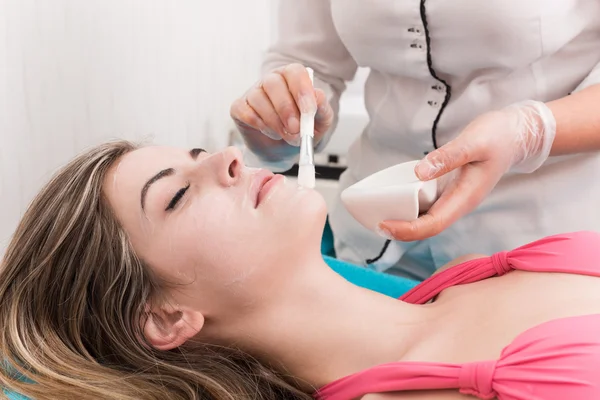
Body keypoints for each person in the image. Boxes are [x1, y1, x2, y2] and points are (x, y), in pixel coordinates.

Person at [1, 141, 600, 400]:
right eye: (177, 196)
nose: (230, 157)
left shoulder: (478, 270)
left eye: (197, 154)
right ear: (163, 318)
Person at [230, 0, 600, 280]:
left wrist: (529, 132)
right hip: (371, 246)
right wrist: (280, 120)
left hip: (540, 249)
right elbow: (308, 60)